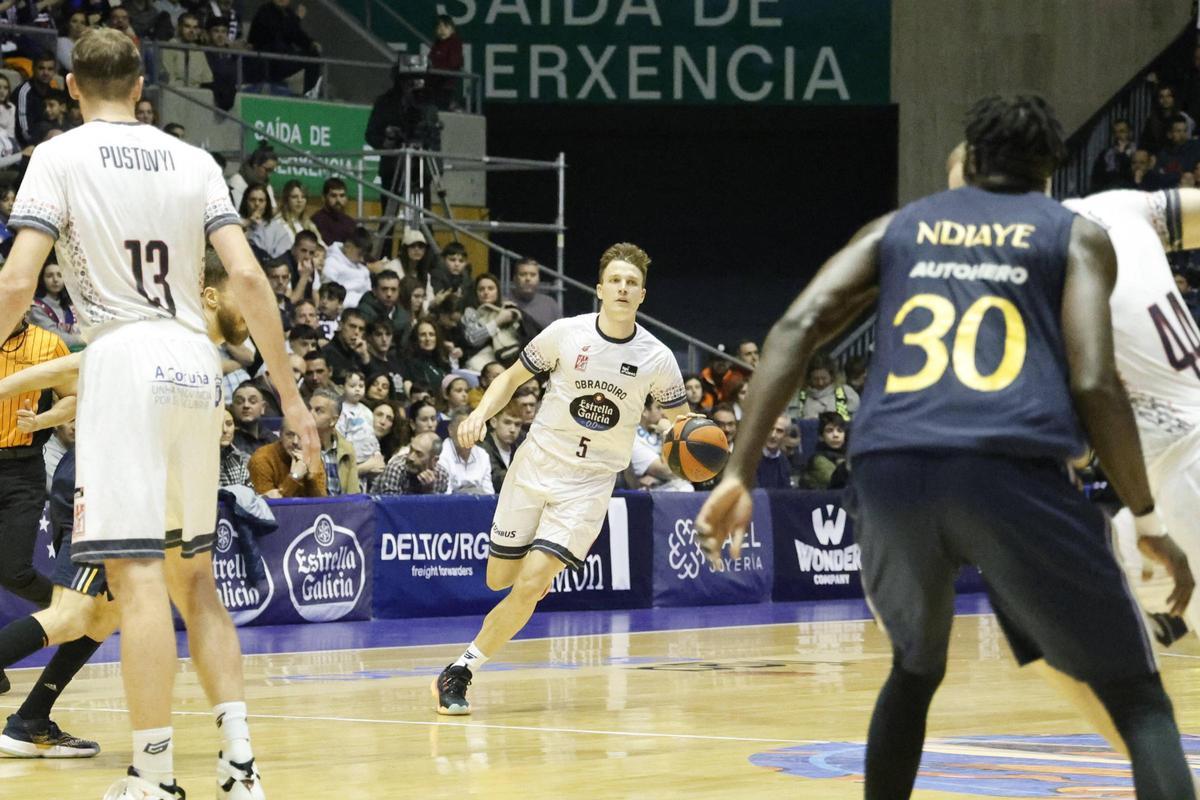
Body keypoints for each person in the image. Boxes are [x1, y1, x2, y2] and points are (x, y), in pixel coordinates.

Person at [696, 95, 1196, 800]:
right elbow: (1093, 379)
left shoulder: (899, 226)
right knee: (1139, 699)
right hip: (1010, 468)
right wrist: (1147, 520)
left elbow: (799, 324)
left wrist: (738, 472)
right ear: (1050, 172)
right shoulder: (1072, 234)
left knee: (914, 669)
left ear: (971, 158)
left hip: (890, 470)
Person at [0, 28, 319, 799]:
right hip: (193, 362)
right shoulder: (196, 160)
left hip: (123, 355)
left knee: (136, 581)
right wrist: (290, 395)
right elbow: (245, 274)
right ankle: (240, 767)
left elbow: (16, 283)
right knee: (195, 581)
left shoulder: (59, 155)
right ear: (144, 87)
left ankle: (152, 773)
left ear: (72, 87)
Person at [433, 242, 688, 715]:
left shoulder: (657, 357)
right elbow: (510, 378)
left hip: (590, 485)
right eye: (615, 280)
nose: (623, 288)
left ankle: (461, 669)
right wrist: (481, 415)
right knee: (499, 579)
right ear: (599, 289)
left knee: (530, 584)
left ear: (642, 294)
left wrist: (694, 442)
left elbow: (681, 421)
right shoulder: (565, 334)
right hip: (535, 466)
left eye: (632, 282)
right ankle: (531, 577)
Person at [247, 0, 321, 95]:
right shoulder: (264, 11)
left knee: (313, 55)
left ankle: (309, 93)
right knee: (277, 45)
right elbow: (276, 33)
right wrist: (296, 18)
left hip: (284, 59)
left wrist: (311, 43)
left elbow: (296, 35)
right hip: (265, 60)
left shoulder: (288, 13)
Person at [248, 415, 325, 498]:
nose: (295, 441)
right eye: (290, 435)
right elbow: (266, 507)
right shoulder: (262, 459)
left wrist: (310, 478)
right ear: (280, 435)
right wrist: (294, 477)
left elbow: (323, 504)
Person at [309, 387, 358, 496]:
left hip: (340, 509)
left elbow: (354, 495)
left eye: (318, 410)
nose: (310, 414)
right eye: (309, 408)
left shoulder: (347, 450)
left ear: (333, 420)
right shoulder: (297, 446)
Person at [29, 259, 82, 348]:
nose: (55, 279)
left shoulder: (70, 303)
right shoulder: (36, 308)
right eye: (50, 276)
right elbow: (56, 338)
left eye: (60, 275)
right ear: (41, 279)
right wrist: (85, 339)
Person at [15, 54, 59, 148]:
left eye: (50, 69)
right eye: (41, 68)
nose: (46, 73)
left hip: (50, 138)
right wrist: (34, 146)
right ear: (33, 69)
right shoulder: (24, 92)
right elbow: (23, 130)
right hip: (28, 144)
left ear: (54, 71)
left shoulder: (54, 92)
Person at [509, 257, 560, 337]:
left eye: (533, 275)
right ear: (515, 279)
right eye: (523, 274)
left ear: (538, 279)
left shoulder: (550, 304)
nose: (528, 278)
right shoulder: (504, 304)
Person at [238, 182, 290, 260]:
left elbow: (283, 257)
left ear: (267, 204)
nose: (257, 204)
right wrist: (248, 222)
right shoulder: (236, 223)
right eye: (252, 200)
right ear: (245, 202)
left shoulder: (277, 229)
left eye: (261, 200)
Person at [477, 398, 521, 489]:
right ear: (494, 422)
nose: (512, 429)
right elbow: (495, 479)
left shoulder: (520, 448)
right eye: (507, 422)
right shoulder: (482, 447)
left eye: (517, 424)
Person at [160, 12, 212, 88]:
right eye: (187, 26)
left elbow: (207, 79)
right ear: (179, 27)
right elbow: (168, 80)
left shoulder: (198, 50)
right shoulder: (169, 47)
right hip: (175, 92)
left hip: (199, 94)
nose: (191, 31)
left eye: (195, 27)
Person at [427, 14, 463, 111]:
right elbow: (430, 59)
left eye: (445, 27)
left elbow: (454, 63)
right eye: (439, 27)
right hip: (434, 85)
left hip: (446, 86)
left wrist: (437, 68)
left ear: (452, 29)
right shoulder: (437, 44)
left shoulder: (454, 43)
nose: (442, 30)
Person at [227, 144, 277, 211]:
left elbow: (273, 209)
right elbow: (238, 211)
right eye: (267, 170)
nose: (269, 175)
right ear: (255, 165)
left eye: (272, 171)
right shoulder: (237, 181)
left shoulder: (266, 184)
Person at [275, 179, 321, 248]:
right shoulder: (279, 223)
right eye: (294, 197)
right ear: (286, 199)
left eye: (303, 197)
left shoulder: (309, 224)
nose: (299, 200)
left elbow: (321, 246)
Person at [310, 177, 354, 246]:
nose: (338, 200)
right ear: (324, 197)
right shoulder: (317, 221)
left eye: (342, 196)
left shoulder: (350, 223)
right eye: (333, 196)